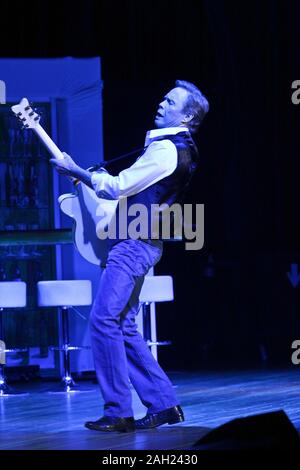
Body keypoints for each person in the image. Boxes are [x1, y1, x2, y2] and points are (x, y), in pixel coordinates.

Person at [50, 80, 209, 432]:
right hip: (142, 241)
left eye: (170, 101)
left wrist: (77, 173)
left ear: (186, 115)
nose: (161, 102)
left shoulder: (168, 149)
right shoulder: (179, 148)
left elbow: (120, 186)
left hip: (133, 243)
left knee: (104, 320)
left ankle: (118, 410)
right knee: (122, 324)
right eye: (164, 97)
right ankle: (164, 403)